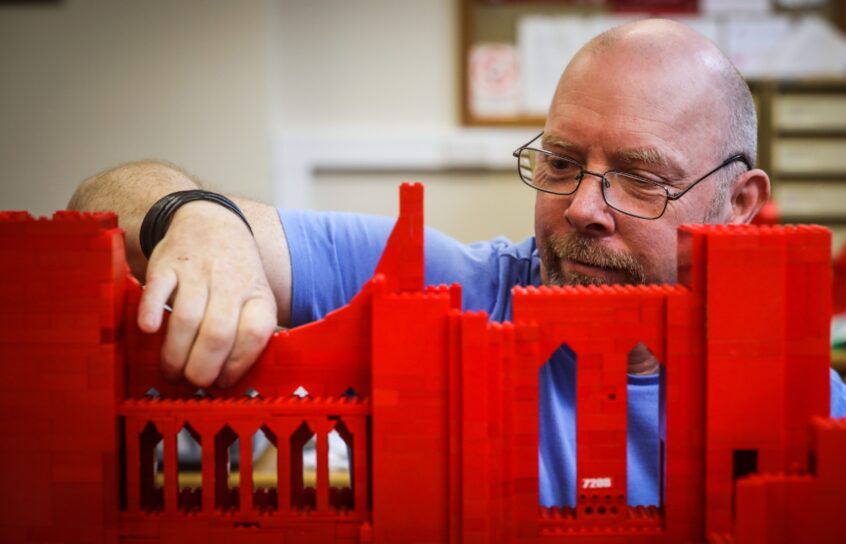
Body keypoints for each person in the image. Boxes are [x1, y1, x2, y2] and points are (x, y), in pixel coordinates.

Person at [68, 19, 846, 507]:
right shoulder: (448, 287)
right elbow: (101, 204)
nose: (581, 207)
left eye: (640, 179)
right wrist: (196, 219)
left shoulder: (810, 409)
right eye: (561, 162)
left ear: (740, 204)